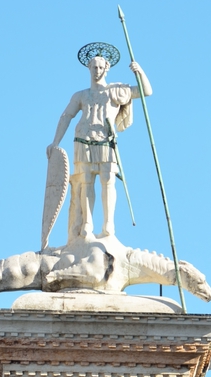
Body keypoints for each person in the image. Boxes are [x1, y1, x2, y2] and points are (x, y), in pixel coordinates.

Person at [47, 52, 152, 239]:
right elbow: (66, 116)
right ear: (89, 68)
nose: (97, 71)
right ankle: (87, 224)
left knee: (108, 180)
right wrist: (55, 141)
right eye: (94, 67)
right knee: (85, 181)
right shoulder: (81, 95)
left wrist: (139, 71)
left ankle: (108, 225)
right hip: (83, 139)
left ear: (106, 69)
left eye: (100, 67)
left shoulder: (116, 91)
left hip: (106, 139)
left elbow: (145, 91)